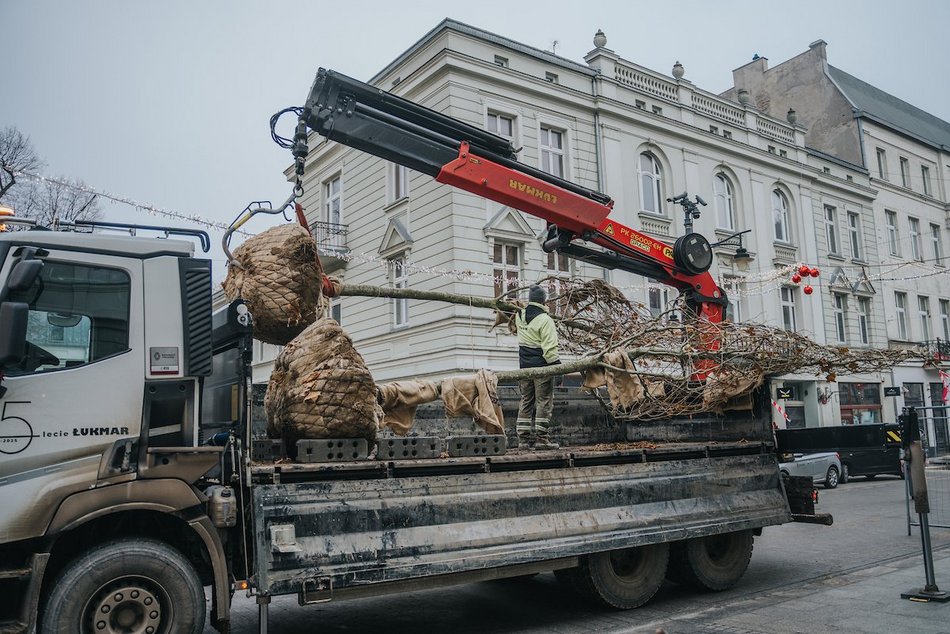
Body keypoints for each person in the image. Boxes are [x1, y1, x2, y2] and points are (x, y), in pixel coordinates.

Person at [515, 284, 560, 450]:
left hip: (524, 367)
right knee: (543, 402)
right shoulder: (545, 320)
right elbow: (550, 350)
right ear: (544, 300)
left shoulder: (519, 315)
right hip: (542, 368)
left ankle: (523, 441)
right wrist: (558, 369)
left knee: (526, 401)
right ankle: (542, 439)